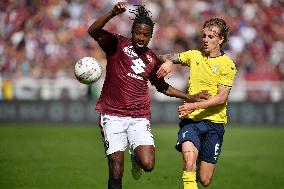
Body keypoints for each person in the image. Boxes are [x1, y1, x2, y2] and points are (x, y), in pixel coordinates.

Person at [87, 2, 210, 189]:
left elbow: (162, 86)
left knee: (148, 164)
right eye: (138, 33)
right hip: (112, 115)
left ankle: (135, 157)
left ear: (151, 36)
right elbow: (93, 30)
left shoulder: (152, 58)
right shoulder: (117, 44)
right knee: (116, 167)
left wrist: (189, 97)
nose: (141, 38)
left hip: (138, 117)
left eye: (146, 35)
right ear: (132, 32)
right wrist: (112, 13)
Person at [157, 18, 237, 189]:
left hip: (214, 124)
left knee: (205, 180)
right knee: (189, 162)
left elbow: (221, 98)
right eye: (204, 36)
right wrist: (169, 61)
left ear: (221, 39)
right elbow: (162, 57)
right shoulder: (194, 55)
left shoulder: (227, 65)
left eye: (210, 36)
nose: (205, 40)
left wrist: (193, 105)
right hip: (191, 122)